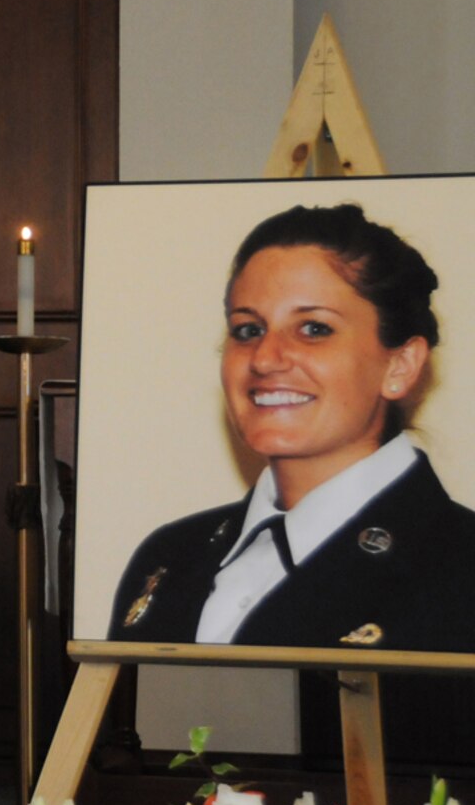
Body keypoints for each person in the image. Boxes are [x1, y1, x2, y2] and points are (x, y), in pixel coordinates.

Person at [108, 203, 475, 652]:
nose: (264, 358)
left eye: (314, 328)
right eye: (247, 330)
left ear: (399, 365)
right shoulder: (170, 556)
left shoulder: (460, 566)